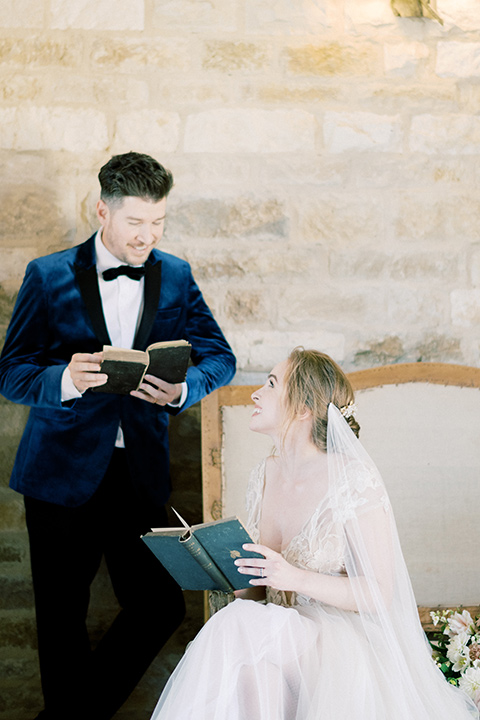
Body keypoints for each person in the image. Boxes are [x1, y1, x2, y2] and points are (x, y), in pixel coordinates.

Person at [0, 152, 236, 720]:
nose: (148, 236)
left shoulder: (175, 274)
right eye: (136, 223)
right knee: (61, 619)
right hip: (58, 475)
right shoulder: (48, 274)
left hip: (141, 475)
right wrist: (64, 379)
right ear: (102, 210)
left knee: (159, 606)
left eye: (158, 223)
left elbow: (220, 357)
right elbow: (12, 372)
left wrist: (181, 393)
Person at [149, 348, 478, 719]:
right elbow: (258, 594)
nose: (256, 394)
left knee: (235, 628)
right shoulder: (265, 473)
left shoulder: (352, 478)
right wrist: (222, 568)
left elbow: (378, 592)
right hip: (275, 636)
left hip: (333, 640)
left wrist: (293, 577)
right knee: (257, 670)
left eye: (271, 384)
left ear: (304, 409)